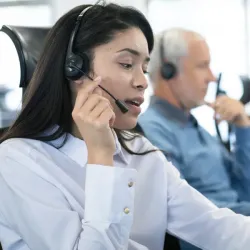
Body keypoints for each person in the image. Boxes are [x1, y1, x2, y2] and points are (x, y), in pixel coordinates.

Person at [1, 4, 250, 250]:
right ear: (74, 68)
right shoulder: (18, 161)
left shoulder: (140, 151)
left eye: (145, 68)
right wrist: (101, 156)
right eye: (127, 64)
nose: (143, 82)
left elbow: (215, 226)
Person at [138, 28, 250, 248]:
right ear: (168, 71)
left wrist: (242, 126)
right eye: (202, 66)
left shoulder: (199, 131)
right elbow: (185, 218)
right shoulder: (151, 132)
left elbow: (245, 189)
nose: (211, 77)